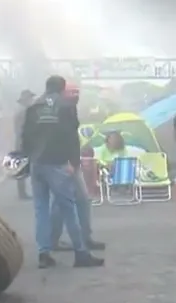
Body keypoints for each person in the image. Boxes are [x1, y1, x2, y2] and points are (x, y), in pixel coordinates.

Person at [21, 75, 104, 268]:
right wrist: (74, 162)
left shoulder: (33, 107)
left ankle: (44, 254)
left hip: (37, 163)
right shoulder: (66, 106)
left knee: (40, 209)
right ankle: (81, 253)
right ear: (62, 88)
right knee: (69, 208)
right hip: (58, 163)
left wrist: (28, 158)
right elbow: (71, 136)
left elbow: (25, 136)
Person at [48, 82, 106, 253]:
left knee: (80, 200)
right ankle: (57, 241)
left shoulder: (66, 108)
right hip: (62, 162)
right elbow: (62, 138)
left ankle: (83, 238)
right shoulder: (62, 109)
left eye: (77, 92)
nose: (75, 95)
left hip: (70, 162)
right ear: (63, 93)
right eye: (71, 92)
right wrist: (68, 162)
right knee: (61, 203)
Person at [12, 90, 36, 198]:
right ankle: (22, 193)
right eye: (30, 98)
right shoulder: (24, 111)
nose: (31, 100)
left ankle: (22, 192)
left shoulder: (20, 110)